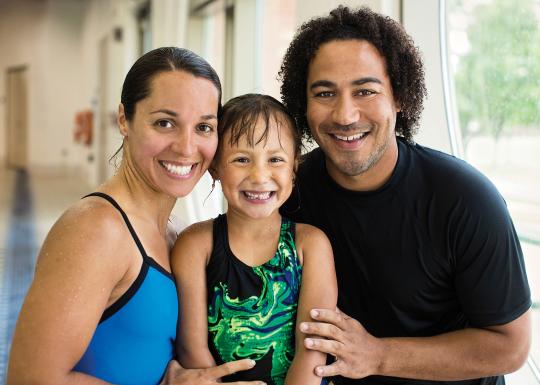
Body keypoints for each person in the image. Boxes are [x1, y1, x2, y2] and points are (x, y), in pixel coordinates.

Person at [278, 6, 531, 385]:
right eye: (325, 93)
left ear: (399, 97)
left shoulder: (465, 199)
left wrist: (377, 355)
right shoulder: (286, 192)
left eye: (365, 91)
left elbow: (510, 347)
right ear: (304, 104)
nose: (345, 114)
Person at [7, 47, 264, 385]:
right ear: (124, 119)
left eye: (203, 127)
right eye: (165, 123)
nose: (186, 147)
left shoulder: (174, 233)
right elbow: (30, 379)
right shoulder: (96, 229)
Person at [171, 94, 338, 385]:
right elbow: (191, 349)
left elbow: (312, 350)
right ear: (216, 167)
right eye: (241, 159)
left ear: (294, 167)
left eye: (275, 159)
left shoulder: (310, 245)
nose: (260, 176)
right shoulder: (196, 246)